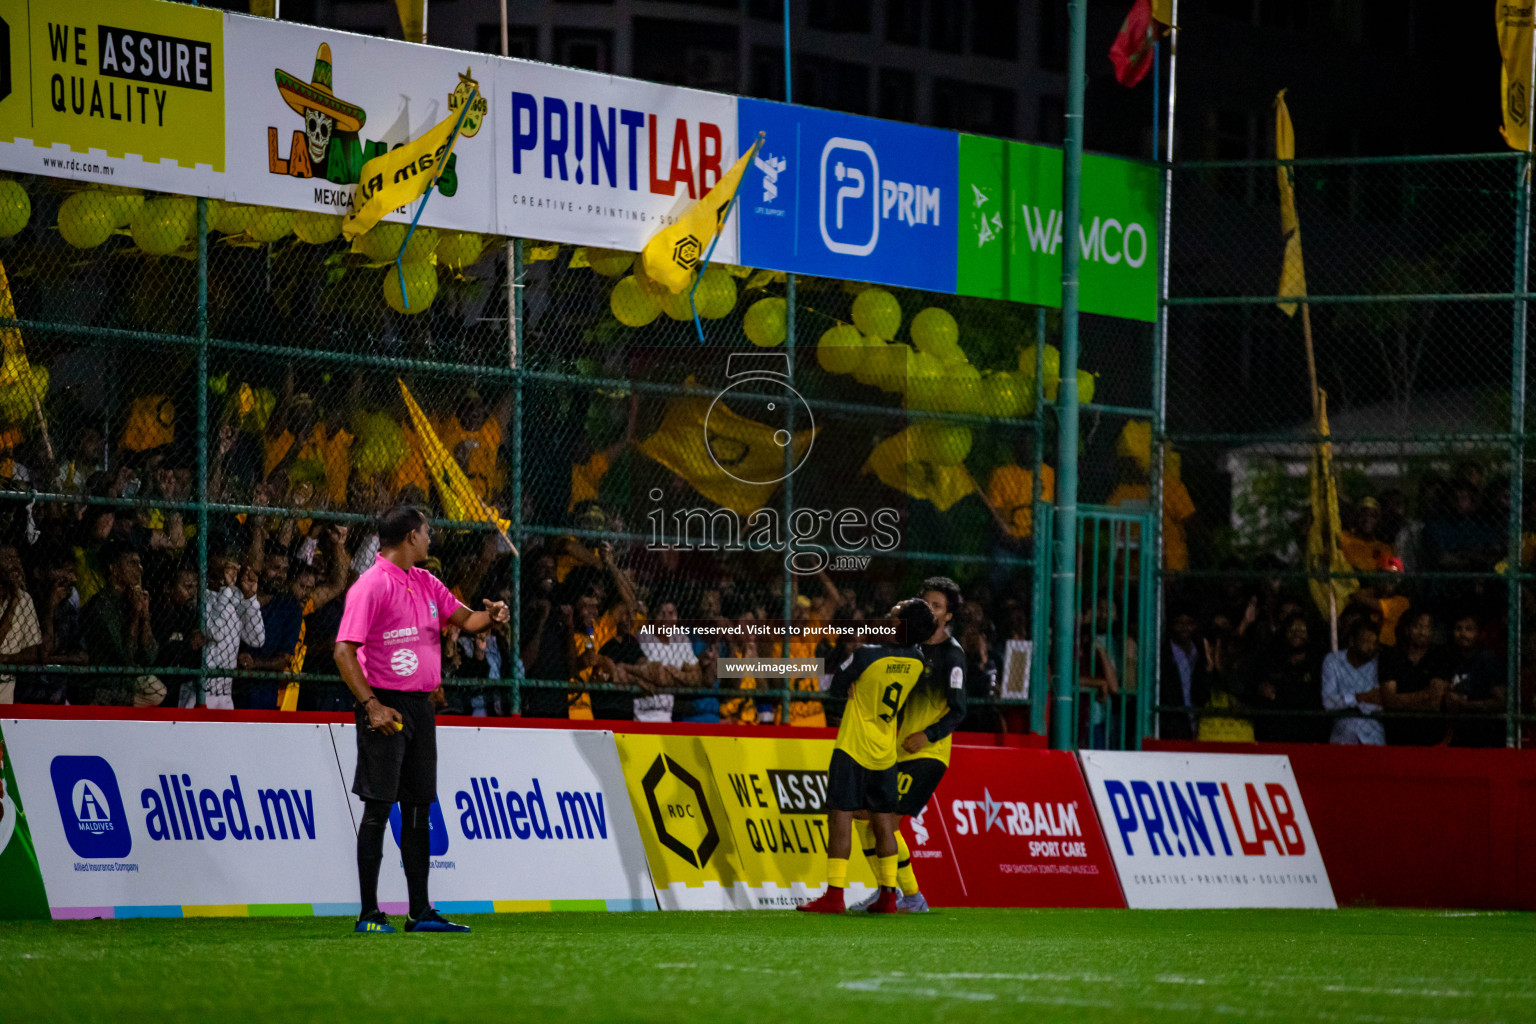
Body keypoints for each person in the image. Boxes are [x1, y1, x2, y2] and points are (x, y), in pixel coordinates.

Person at [333, 505, 509, 935]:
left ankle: (419, 913)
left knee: (417, 810)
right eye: (427, 532)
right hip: (385, 707)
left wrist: (494, 615)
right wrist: (371, 706)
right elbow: (343, 651)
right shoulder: (369, 586)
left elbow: (467, 619)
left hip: (421, 707)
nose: (431, 538)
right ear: (411, 536)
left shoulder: (426, 581)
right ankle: (369, 914)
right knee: (378, 807)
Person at [798, 598, 936, 916]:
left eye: (893, 615)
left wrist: (853, 681)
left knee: (841, 818)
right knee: (884, 825)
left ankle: (834, 895)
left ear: (900, 627)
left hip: (853, 749)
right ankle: (889, 895)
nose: (887, 618)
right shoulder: (917, 659)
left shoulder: (867, 655)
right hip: (885, 753)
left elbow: (835, 688)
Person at [850, 577, 967, 915]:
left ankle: (911, 896)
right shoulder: (907, 648)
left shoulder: (951, 655)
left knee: (883, 821)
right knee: (862, 817)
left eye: (937, 606)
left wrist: (928, 735)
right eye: (926, 603)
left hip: (927, 755)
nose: (930, 610)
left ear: (947, 616)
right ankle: (886, 893)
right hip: (891, 751)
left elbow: (959, 710)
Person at [79, 543, 160, 706]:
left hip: (126, 680)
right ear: (113, 569)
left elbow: (150, 656)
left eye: (139, 563)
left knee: (156, 689)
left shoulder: (131, 600)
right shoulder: (101, 605)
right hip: (101, 683)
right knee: (154, 691)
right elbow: (125, 657)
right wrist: (135, 615)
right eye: (131, 563)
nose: (139, 569)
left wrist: (145, 616)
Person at [1376, 610, 1450, 746]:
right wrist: (1425, 694)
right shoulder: (1390, 656)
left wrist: (1401, 700)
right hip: (1397, 738)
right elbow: (1389, 701)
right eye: (1417, 626)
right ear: (1406, 629)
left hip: (1432, 739)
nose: (1422, 632)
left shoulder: (1440, 656)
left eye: (1427, 627)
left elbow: (1434, 703)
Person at [1443, 613, 1507, 748]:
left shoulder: (1488, 659)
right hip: (1459, 739)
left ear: (1479, 634)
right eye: (1458, 629)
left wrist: (1464, 705)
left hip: (1485, 739)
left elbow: (1501, 702)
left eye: (1469, 629)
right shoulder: (1451, 660)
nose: (1463, 634)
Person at [1321, 617, 1384, 745]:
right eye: (1366, 641)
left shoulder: (1380, 662)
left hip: (1374, 740)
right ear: (1352, 641)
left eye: (1374, 642)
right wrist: (1359, 697)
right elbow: (1328, 702)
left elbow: (1380, 702)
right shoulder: (1333, 661)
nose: (1371, 647)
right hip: (1342, 739)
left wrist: (1345, 701)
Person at [0, 544, 42, 704]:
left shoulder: (24, 599)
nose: (16, 564)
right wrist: (12, 605)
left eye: (17, 558)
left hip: (6, 699)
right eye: (9, 559)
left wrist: (5, 659)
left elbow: (32, 652)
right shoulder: (17, 600)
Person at [1158, 607, 1208, 740]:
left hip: (1198, 724)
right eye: (1179, 623)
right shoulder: (1162, 655)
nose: (1184, 628)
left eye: (1189, 623)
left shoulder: (1200, 653)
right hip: (1171, 726)